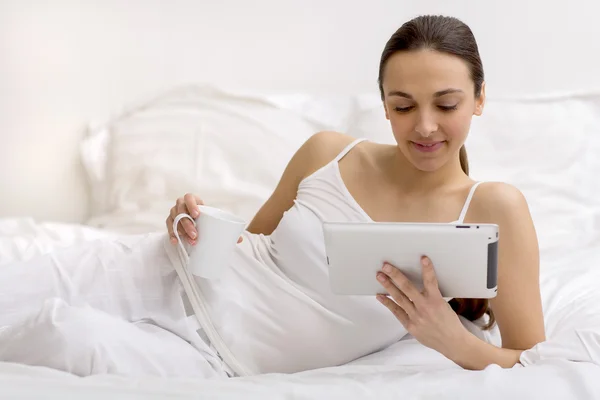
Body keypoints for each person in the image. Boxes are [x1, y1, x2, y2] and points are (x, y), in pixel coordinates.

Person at [0, 15, 545, 378]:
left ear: (478, 100)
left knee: (63, 334)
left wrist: (452, 339)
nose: (424, 126)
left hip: (218, 358)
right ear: (383, 105)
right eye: (403, 106)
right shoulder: (329, 152)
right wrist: (193, 222)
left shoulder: (494, 209)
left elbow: (535, 358)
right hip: (158, 271)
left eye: (445, 104)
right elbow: (249, 241)